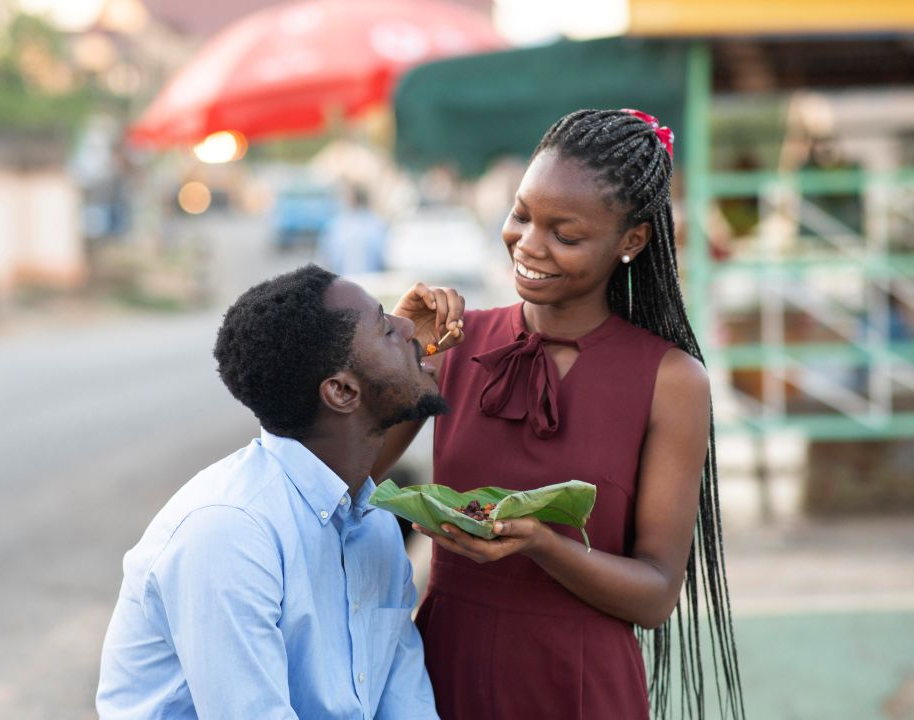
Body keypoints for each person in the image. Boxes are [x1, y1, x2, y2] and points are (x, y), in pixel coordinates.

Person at [374, 109, 745, 719]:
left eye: (565, 235)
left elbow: (655, 595)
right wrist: (397, 354)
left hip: (577, 682)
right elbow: (346, 472)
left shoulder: (671, 380)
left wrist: (543, 545)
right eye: (521, 214)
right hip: (441, 666)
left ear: (632, 241)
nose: (528, 244)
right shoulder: (456, 341)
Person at [97, 264, 457, 719]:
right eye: (387, 328)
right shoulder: (230, 532)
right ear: (342, 392)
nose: (411, 328)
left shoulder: (375, 526)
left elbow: (406, 705)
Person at [318, 185, 388, 276]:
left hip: (369, 280)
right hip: (349, 280)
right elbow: (327, 258)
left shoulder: (374, 223)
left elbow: (383, 257)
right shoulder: (336, 225)